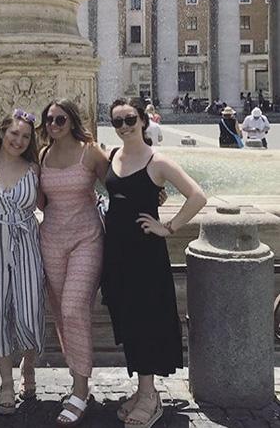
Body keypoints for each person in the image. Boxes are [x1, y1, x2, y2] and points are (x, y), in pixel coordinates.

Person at [102, 98, 206, 428]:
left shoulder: (157, 161)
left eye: (130, 119)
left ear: (144, 121)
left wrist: (169, 227)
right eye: (117, 121)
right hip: (116, 250)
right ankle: (142, 389)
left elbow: (197, 195)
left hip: (144, 253)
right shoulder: (113, 156)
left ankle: (149, 394)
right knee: (127, 318)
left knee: (144, 318)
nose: (124, 126)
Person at [38, 99, 108, 426]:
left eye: (60, 119)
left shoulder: (90, 152)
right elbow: (38, 199)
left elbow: (117, 186)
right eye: (49, 119)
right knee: (60, 313)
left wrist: (153, 192)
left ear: (72, 120)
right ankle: (76, 375)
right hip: (50, 238)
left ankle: (80, 390)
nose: (54, 124)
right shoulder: (41, 155)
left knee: (73, 308)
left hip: (86, 238)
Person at [0, 109, 44, 415]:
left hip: (27, 244)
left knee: (30, 310)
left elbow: (60, 197)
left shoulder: (35, 168)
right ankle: (6, 382)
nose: (18, 140)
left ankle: (28, 365)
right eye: (14, 133)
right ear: (2, 132)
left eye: (25, 136)